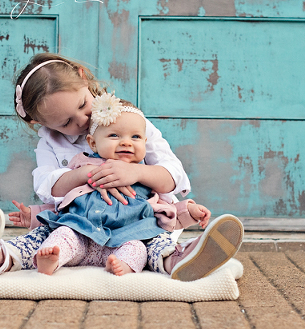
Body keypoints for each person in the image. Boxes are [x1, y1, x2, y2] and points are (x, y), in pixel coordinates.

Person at [0, 53, 244, 282]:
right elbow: (46, 187)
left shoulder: (128, 122)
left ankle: (181, 260)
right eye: (65, 123)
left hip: (137, 226)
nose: (81, 121)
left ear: (83, 78)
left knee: (154, 244)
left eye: (83, 105)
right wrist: (84, 175)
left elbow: (174, 177)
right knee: (43, 237)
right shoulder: (50, 143)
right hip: (78, 226)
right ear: (40, 123)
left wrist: (137, 172)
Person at [14, 94, 212, 276]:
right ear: (92, 143)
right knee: (62, 234)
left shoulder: (147, 174)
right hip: (82, 234)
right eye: (115, 136)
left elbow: (162, 206)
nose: (126, 143)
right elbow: (66, 202)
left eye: (135, 137)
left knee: (140, 248)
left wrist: (190, 211)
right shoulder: (82, 167)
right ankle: (50, 259)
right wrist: (33, 215)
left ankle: (167, 261)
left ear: (145, 141)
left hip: (128, 237)